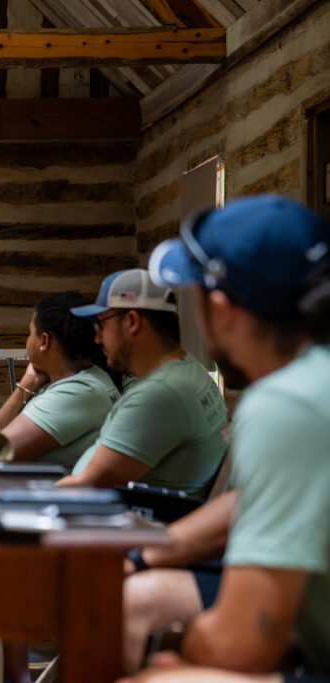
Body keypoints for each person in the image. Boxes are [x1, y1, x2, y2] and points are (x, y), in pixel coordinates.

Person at [119, 195, 330, 682]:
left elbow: (242, 646)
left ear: (223, 309)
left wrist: (177, 644)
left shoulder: (284, 403)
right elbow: (257, 502)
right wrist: (143, 555)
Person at [59, 269, 228, 497]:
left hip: (128, 523)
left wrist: (31, 495)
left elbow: (89, 486)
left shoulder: (161, 394)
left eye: (101, 325)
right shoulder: (188, 368)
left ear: (131, 321)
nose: (97, 337)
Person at [0, 291, 120, 468]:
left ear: (44, 341)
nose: (28, 340)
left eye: (30, 333)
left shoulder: (77, 392)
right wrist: (27, 384)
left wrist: (23, 388)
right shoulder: (91, 377)